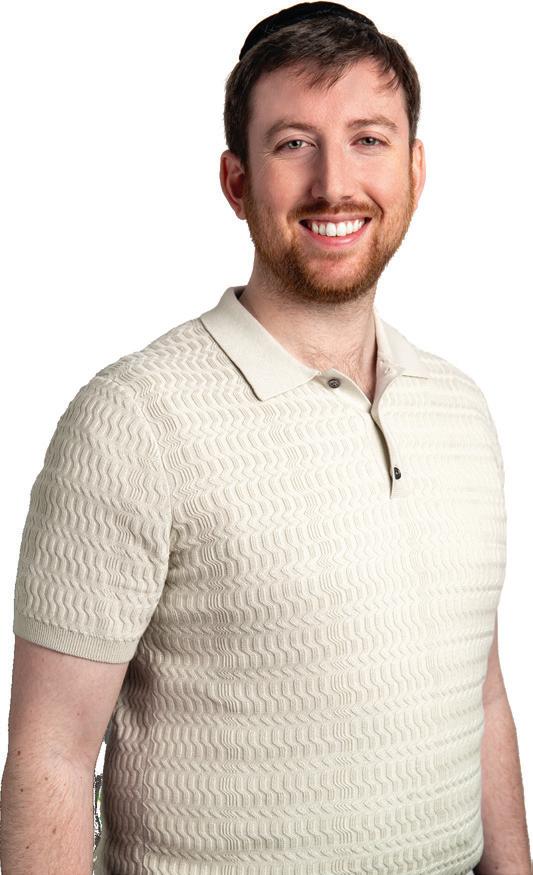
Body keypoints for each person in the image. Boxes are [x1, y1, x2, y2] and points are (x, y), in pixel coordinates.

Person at [1, 3, 530, 874]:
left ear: (414, 168)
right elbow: (50, 755)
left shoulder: (461, 410)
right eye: (293, 144)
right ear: (236, 181)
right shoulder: (132, 420)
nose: (334, 183)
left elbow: (479, 695)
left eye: (367, 139)